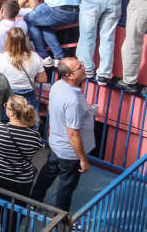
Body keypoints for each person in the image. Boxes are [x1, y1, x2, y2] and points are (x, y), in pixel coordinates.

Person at [34, 58, 95, 211]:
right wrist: (83, 159)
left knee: (48, 173)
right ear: (69, 75)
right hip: (70, 153)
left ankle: (34, 201)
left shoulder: (57, 86)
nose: (84, 67)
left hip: (57, 143)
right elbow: (73, 134)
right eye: (80, 67)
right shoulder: (72, 100)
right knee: (66, 187)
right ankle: (60, 220)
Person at [0, 95, 44, 198]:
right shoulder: (35, 136)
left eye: (6, 106)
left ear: (11, 112)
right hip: (21, 182)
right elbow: (34, 152)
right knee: (14, 212)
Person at [0, 28, 47, 111]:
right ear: (25, 40)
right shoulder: (35, 56)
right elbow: (43, 79)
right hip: (27, 97)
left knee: (6, 122)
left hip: (7, 97)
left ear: (8, 41)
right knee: (27, 122)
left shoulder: (0, 58)